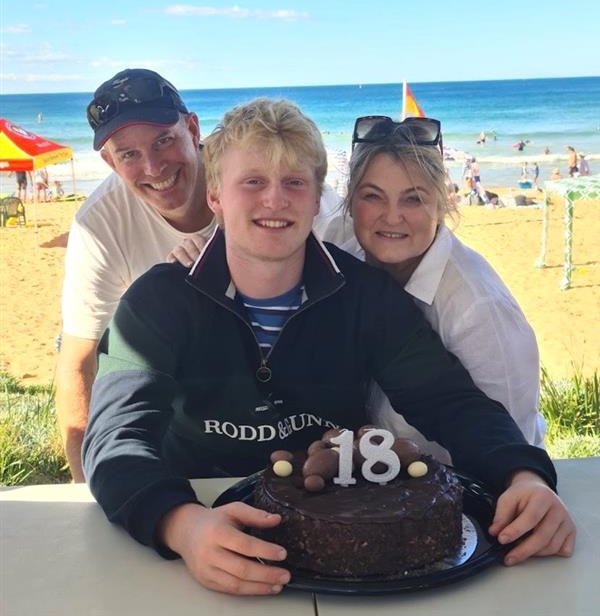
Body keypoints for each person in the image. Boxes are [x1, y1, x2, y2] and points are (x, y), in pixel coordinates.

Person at [83, 99, 574, 597]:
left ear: (318, 197)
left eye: (294, 183)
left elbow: (448, 399)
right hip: (202, 536)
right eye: (252, 181)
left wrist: (523, 475)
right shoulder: (158, 300)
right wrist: (180, 524)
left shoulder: (363, 294)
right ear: (214, 195)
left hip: (343, 538)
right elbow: (115, 437)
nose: (275, 201)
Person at [57, 69, 341, 482]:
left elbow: (349, 295)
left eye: (163, 140)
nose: (154, 167)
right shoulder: (100, 225)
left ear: (192, 129)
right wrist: (86, 491)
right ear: (108, 161)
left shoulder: (275, 185)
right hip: (188, 418)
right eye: (128, 154)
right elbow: (78, 361)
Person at [322, 115, 545, 456]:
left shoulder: (479, 310)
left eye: (413, 199)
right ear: (350, 200)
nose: (392, 216)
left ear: (441, 204)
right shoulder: (344, 247)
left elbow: (512, 442)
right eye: (373, 196)